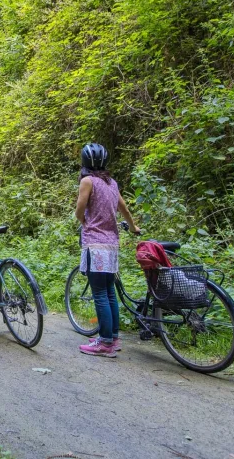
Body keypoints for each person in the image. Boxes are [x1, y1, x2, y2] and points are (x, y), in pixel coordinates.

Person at [74, 143, 140, 357]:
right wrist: (133, 227)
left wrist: (85, 221)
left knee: (100, 293)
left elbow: (79, 210)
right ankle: (112, 337)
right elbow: (124, 208)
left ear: (85, 162)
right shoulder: (112, 183)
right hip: (111, 245)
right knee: (110, 292)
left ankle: (104, 344)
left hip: (95, 244)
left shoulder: (87, 181)